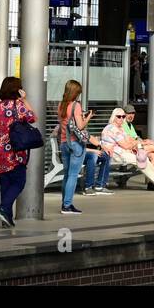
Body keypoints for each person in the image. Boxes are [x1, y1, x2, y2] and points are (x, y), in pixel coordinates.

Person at [0, 77, 37, 228]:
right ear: (17, 90)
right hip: (14, 152)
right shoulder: (18, 105)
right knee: (19, 182)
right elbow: (33, 117)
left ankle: (6, 219)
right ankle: (3, 208)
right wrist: (25, 99)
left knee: (5, 185)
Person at [99, 108, 154, 190]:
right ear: (114, 117)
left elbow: (130, 140)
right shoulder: (112, 128)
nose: (121, 118)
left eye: (123, 116)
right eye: (119, 116)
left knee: (143, 158)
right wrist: (136, 143)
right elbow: (126, 145)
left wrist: (141, 142)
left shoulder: (120, 128)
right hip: (113, 155)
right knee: (140, 160)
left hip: (122, 153)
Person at [57, 80, 90, 215]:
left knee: (66, 175)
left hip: (64, 143)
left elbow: (63, 124)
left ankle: (64, 203)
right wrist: (88, 117)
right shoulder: (76, 105)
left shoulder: (61, 105)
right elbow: (80, 126)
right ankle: (67, 205)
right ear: (75, 92)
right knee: (73, 175)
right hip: (75, 144)